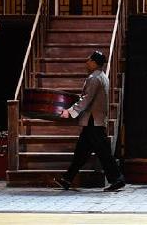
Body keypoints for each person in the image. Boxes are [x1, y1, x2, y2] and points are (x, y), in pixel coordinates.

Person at [54, 51, 126, 192]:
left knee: (104, 153)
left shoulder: (94, 78)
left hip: (93, 121)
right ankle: (67, 179)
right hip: (93, 121)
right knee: (81, 153)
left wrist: (70, 111)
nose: (86, 63)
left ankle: (117, 179)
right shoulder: (103, 77)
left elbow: (86, 99)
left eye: (89, 60)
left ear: (94, 62)